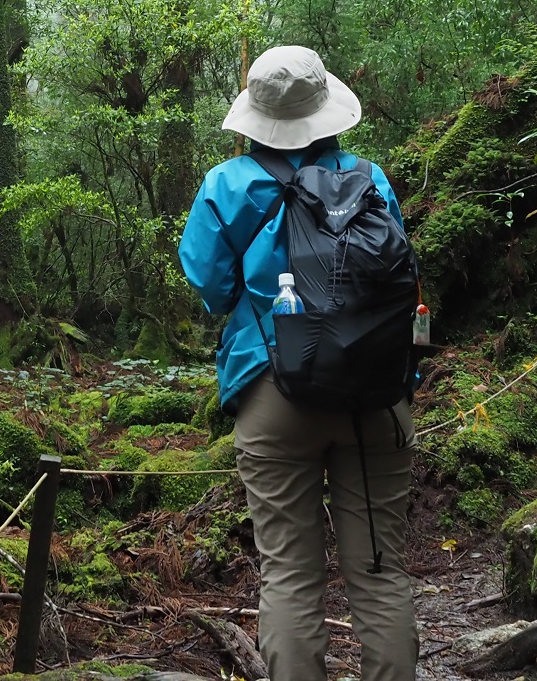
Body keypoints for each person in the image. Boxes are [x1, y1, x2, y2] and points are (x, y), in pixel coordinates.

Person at [177, 45, 417, 681]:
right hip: (373, 394)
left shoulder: (226, 186)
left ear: (257, 116)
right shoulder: (369, 178)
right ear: (325, 109)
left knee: (287, 572)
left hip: (271, 393)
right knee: (381, 571)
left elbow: (210, 285)